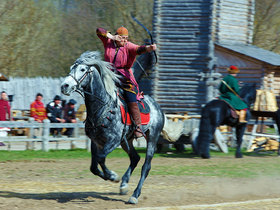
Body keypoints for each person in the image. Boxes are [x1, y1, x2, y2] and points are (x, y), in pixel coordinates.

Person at [96, 26, 157, 138]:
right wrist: (111, 36)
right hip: (108, 75)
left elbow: (139, 49)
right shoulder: (108, 41)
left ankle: (138, 126)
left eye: (126, 38)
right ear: (117, 36)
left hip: (124, 77)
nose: (124, 40)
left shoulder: (128, 46)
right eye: (122, 38)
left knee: (131, 98)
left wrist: (149, 48)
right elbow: (99, 30)